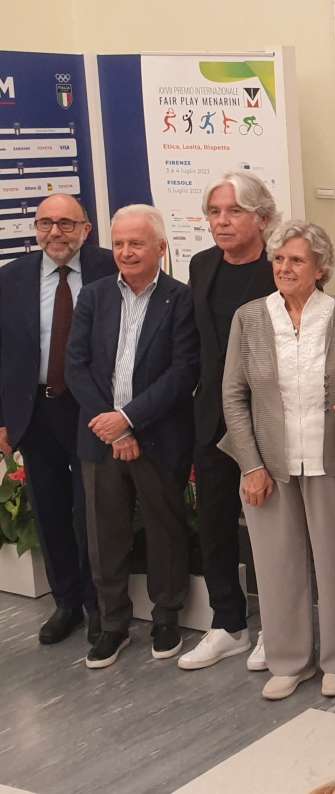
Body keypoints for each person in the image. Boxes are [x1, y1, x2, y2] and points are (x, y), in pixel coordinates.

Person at [219, 220, 335, 701]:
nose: (284, 268)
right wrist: (251, 465)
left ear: (320, 268)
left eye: (297, 260)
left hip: (332, 458)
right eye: (279, 259)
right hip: (269, 465)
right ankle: (288, 660)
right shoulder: (250, 317)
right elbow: (233, 396)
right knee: (276, 566)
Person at [64, 204, 200, 669]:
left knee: (165, 529)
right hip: (100, 436)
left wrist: (129, 419)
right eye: (119, 243)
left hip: (158, 436)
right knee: (105, 534)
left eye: (136, 243)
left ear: (160, 247)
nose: (125, 252)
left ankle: (166, 617)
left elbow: (183, 372)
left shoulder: (181, 299)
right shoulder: (95, 296)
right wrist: (112, 425)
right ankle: (113, 624)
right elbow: (75, 366)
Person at [0, 194, 114, 646]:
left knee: (92, 512)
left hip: (92, 409)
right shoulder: (12, 277)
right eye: (45, 223)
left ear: (86, 229)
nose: (55, 233)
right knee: (49, 510)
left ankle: (100, 605)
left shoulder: (110, 268)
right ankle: (66, 602)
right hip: (36, 410)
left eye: (66, 223)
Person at [179, 172, 279, 672]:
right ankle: (229, 624)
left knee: (272, 528)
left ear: (262, 218)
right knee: (215, 523)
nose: (221, 221)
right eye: (215, 212)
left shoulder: (279, 268)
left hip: (266, 419)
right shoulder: (201, 265)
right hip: (211, 417)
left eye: (234, 211)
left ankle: (277, 629)